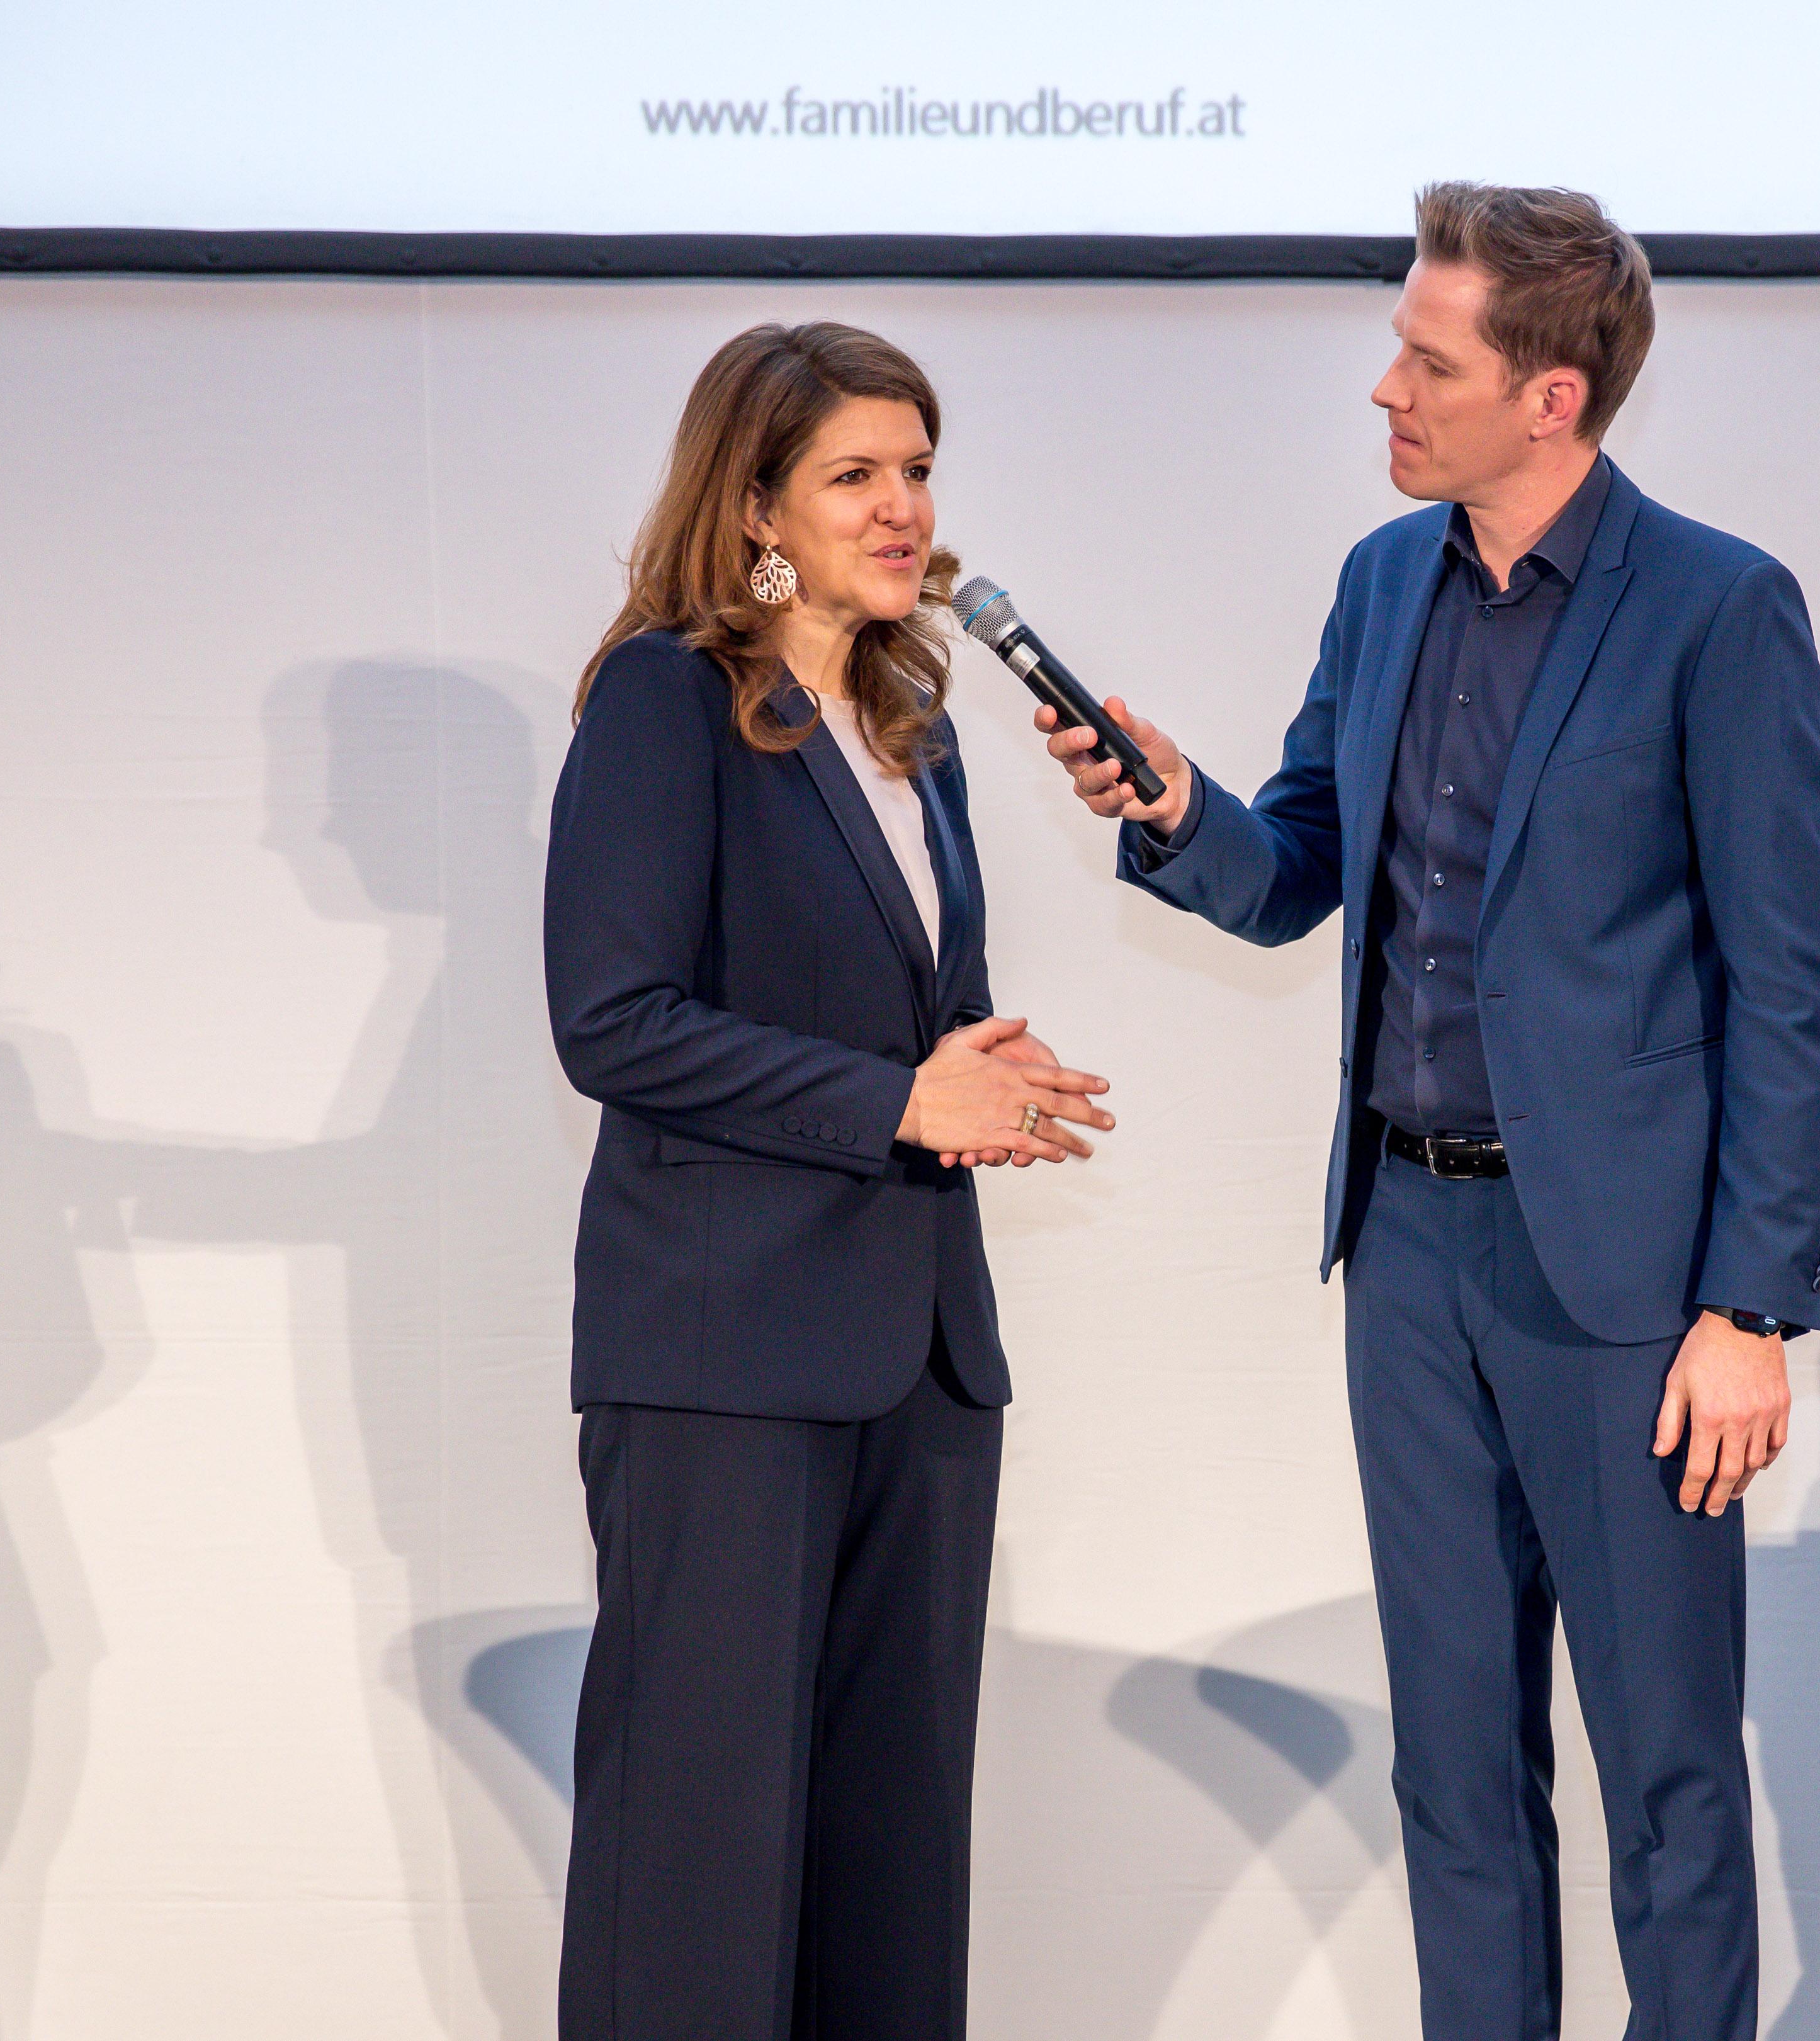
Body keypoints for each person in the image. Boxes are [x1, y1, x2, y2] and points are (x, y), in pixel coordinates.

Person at [1037, 186, 1820, 2040]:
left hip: (1627, 1287)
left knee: (1668, 1780)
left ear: (1550, 397)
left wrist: (1751, 1305)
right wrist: (1174, 808)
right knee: (1454, 1768)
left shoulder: (1719, 607)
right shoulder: (1383, 578)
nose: (1384, 389)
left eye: (1428, 360)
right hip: (1407, 1252)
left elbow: (1790, 987)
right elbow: (1299, 865)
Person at [545, 320, 1114, 2041]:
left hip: (919, 1359)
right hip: (724, 1360)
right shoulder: (665, 697)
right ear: (754, 506)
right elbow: (613, 1020)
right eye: (854, 474)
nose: (901, 507)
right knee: (696, 1862)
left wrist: (979, 1077)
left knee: (891, 1863)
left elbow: (910, 1029)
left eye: (917, 469)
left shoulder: (911, 730)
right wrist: (900, 1098)